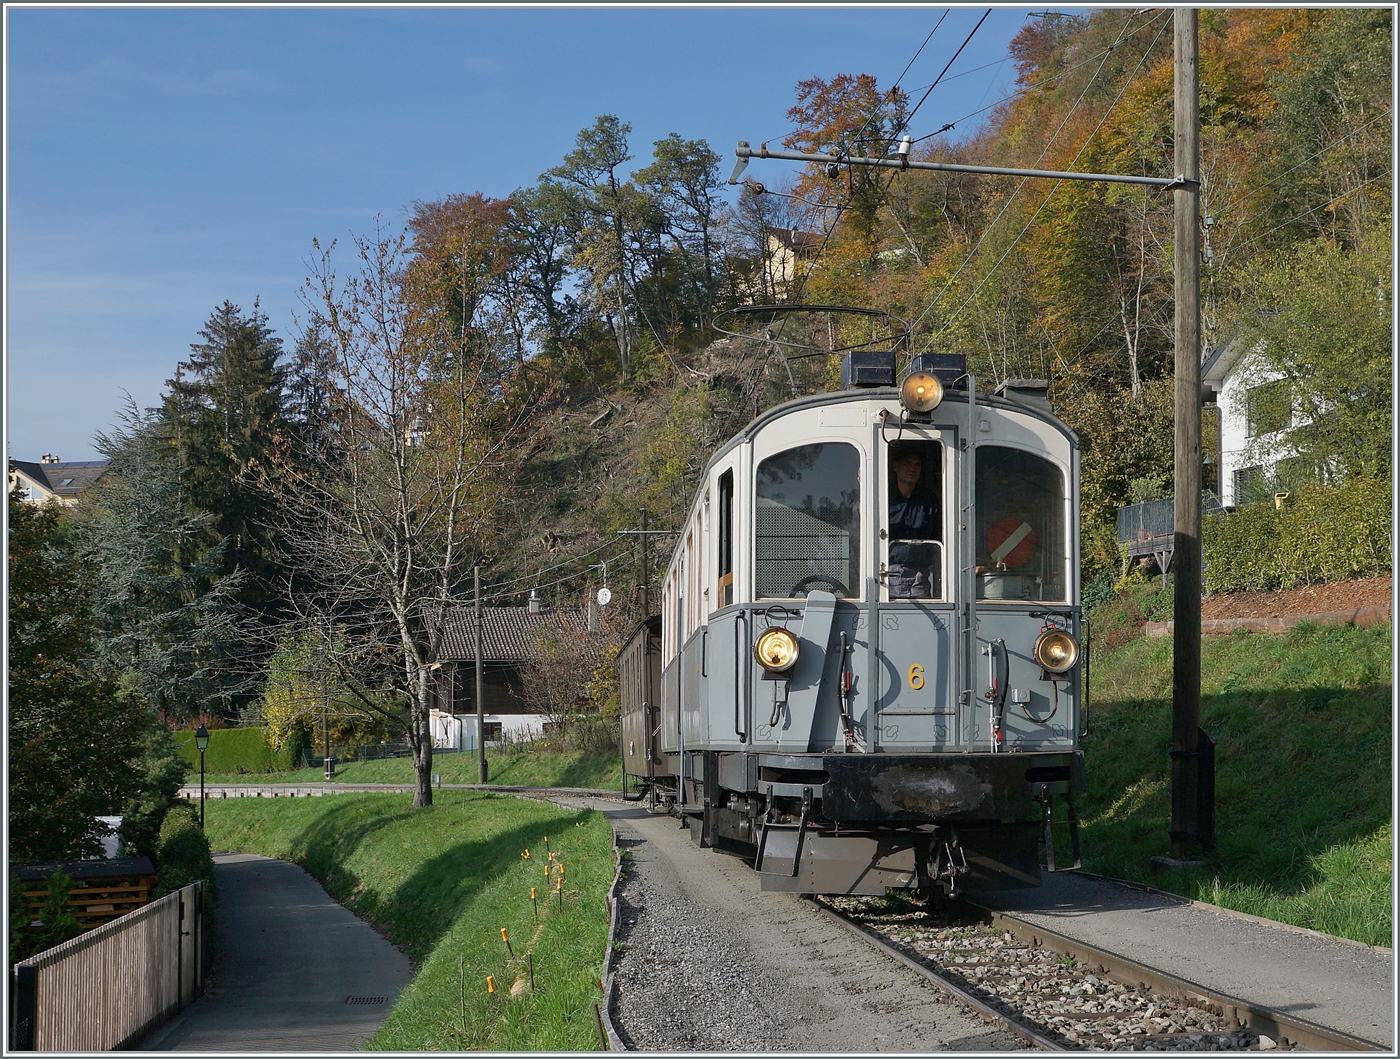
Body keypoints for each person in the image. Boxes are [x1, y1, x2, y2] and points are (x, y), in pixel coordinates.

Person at [888, 445, 941, 598]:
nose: (912, 468)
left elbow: (938, 533)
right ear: (895, 466)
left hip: (920, 574)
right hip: (888, 573)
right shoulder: (883, 496)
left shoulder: (928, 499)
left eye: (917, 465)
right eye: (907, 463)